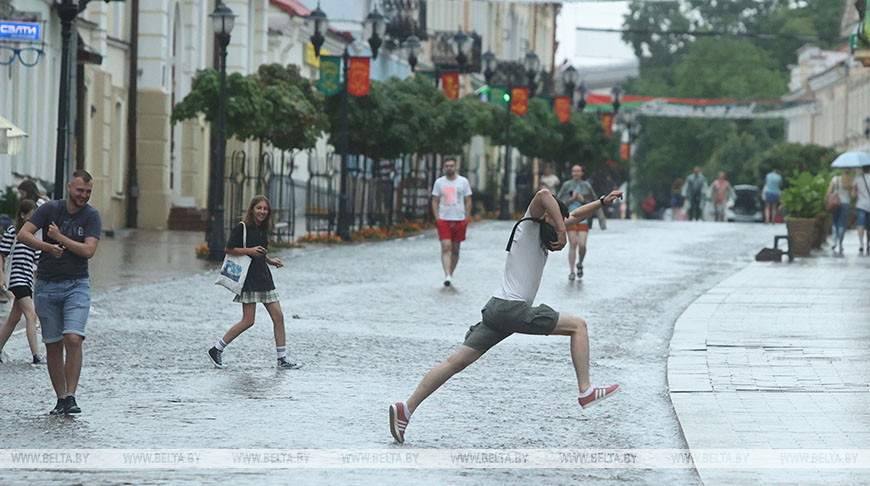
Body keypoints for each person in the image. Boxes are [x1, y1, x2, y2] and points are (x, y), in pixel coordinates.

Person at [388, 188, 623, 444]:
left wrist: (601, 202)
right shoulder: (530, 224)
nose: (557, 231)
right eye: (555, 223)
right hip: (512, 309)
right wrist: (562, 231)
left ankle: (406, 408)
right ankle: (586, 390)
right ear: (547, 216)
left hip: (497, 308)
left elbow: (575, 214)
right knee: (578, 326)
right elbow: (544, 194)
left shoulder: (540, 231)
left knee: (454, 363)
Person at [17, 170, 101, 415]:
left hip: (77, 285)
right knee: (53, 345)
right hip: (46, 285)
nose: (83, 196)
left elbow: (88, 251)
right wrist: (47, 246)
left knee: (74, 338)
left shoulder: (92, 216)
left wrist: (59, 237)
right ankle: (61, 397)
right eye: (79, 191)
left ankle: (72, 396)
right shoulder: (50, 209)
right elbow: (23, 234)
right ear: (68, 188)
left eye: (87, 192)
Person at [208, 195, 301, 370]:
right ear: (252, 209)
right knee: (248, 320)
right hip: (249, 279)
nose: (262, 212)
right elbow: (229, 248)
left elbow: (260, 252)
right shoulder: (243, 227)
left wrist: (270, 260)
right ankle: (216, 349)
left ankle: (282, 358)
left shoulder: (262, 229)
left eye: (265, 209)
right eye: (259, 208)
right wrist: (249, 250)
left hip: (264, 277)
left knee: (278, 316)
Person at [0, 200, 44, 364]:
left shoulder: (35, 236)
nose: (33, 220)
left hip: (27, 279)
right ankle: (36, 355)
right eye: (31, 216)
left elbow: (38, 263)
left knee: (14, 318)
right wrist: (1, 277)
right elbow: (1, 254)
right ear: (22, 215)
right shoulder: (13, 232)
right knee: (31, 315)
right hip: (16, 278)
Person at [556, 165, 606, 280]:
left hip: (583, 218)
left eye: (578, 171)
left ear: (582, 173)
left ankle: (580, 263)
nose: (576, 173)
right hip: (569, 218)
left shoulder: (586, 186)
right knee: (573, 243)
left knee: (582, 245)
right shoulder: (566, 186)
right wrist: (571, 200)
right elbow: (558, 202)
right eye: (574, 171)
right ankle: (572, 271)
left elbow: (595, 202)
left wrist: (601, 221)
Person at [431, 158, 472, 287]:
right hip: (444, 219)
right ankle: (447, 274)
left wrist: (467, 217)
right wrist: (437, 218)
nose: (449, 168)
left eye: (451, 166)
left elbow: (468, 200)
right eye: (447, 166)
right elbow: (435, 200)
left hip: (459, 219)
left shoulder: (463, 182)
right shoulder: (439, 183)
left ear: (455, 166)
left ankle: (451, 273)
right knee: (445, 246)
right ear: (444, 168)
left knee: (455, 249)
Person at [827, 171, 853, 254]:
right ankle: (841, 243)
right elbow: (853, 195)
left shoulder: (835, 179)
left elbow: (829, 191)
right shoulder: (850, 181)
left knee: (835, 222)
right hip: (846, 203)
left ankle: (834, 241)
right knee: (842, 223)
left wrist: (828, 198)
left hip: (835, 203)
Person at [852, 166, 870, 254]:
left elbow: (853, 194)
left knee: (861, 225)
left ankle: (861, 244)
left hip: (861, 205)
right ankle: (868, 244)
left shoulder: (857, 179)